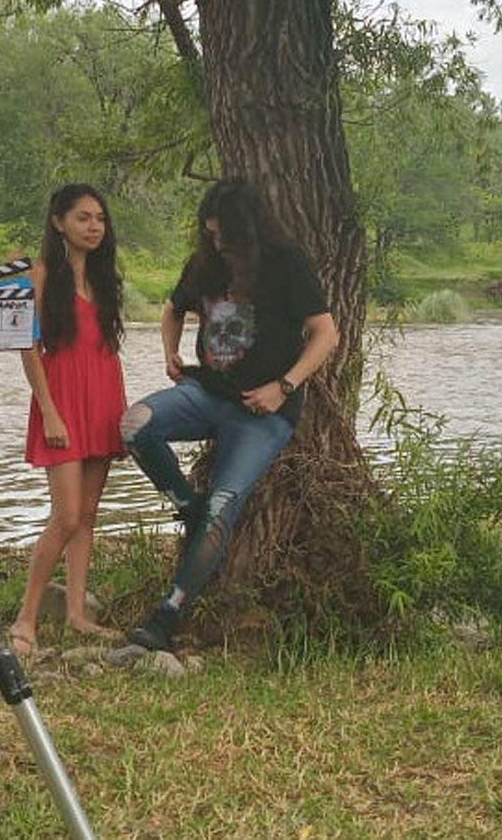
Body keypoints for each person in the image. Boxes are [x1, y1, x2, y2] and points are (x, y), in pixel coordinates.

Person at [117, 178, 339, 652]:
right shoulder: (204, 264)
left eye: (226, 236)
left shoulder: (286, 263)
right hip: (206, 392)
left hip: (263, 413)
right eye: (210, 234)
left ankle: (167, 617)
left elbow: (325, 333)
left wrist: (284, 387)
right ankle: (187, 506)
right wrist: (171, 352)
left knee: (225, 506)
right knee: (134, 424)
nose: (218, 244)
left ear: (250, 229)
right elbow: (173, 309)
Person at [8, 184, 127, 658]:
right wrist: (50, 410)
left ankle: (77, 613)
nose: (94, 226)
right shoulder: (38, 277)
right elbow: (28, 348)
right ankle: (26, 618)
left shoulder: (103, 279)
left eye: (99, 218)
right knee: (67, 514)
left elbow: (106, 348)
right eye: (83, 217)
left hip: (103, 399)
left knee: (89, 516)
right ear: (58, 222)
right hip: (61, 403)